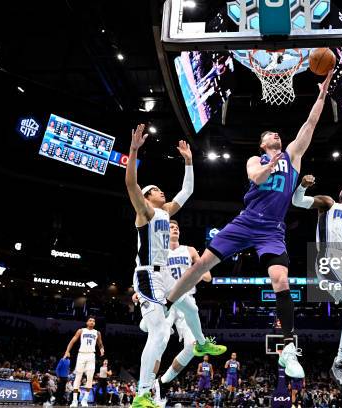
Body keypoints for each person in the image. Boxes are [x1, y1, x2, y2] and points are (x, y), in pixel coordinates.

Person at [163, 71, 334, 380]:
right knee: (201, 264)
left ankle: (288, 350)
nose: (277, 137)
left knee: (281, 281)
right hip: (245, 222)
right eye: (272, 136)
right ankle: (166, 303)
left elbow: (309, 124)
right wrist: (270, 163)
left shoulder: (293, 156)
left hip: (272, 230)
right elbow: (257, 178)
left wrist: (322, 95)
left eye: (279, 136)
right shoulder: (255, 161)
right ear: (262, 143)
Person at [125, 124, 222, 408]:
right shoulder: (144, 212)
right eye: (155, 189)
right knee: (160, 332)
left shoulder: (166, 212)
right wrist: (133, 150)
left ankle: (201, 341)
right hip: (147, 276)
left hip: (164, 275)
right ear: (147, 197)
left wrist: (189, 161)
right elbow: (131, 184)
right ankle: (143, 393)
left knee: (188, 303)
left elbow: (188, 190)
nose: (161, 191)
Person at [291, 175, 342, 407]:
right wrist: (303, 185)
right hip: (330, 257)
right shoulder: (328, 203)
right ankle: (340, 361)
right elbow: (298, 201)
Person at [150, 220, 213, 404]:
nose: (175, 228)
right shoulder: (160, 252)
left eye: (177, 227)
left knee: (192, 346)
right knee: (159, 341)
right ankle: (148, 389)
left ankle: (162, 382)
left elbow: (208, 276)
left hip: (186, 300)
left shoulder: (190, 250)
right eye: (170, 227)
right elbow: (150, 274)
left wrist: (194, 273)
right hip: (167, 300)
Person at [64, 316, 105, 407]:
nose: (92, 322)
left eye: (93, 321)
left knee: (90, 378)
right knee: (78, 377)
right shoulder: (81, 330)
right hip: (81, 354)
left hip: (91, 355)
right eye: (90, 320)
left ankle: (85, 400)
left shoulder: (97, 333)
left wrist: (102, 349)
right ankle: (74, 400)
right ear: (87, 322)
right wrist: (67, 351)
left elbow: (100, 344)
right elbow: (72, 341)